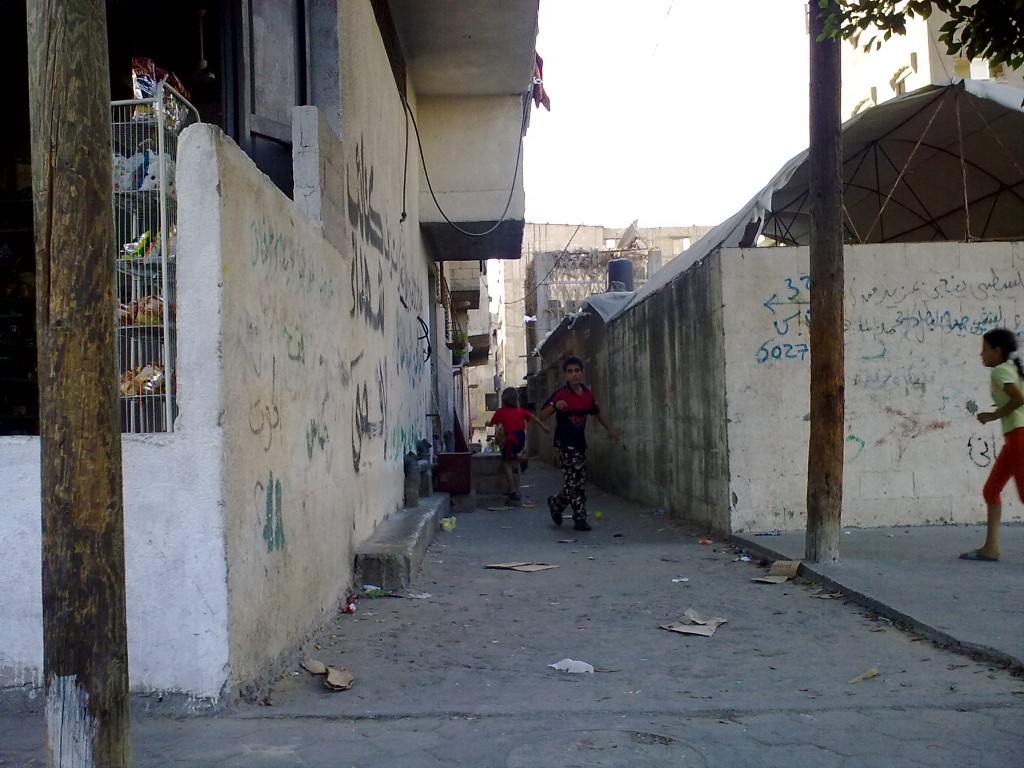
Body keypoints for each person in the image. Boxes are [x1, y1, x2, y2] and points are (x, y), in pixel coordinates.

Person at [962, 328, 1024, 562]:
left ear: (997, 351)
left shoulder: (1000, 371)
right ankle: (991, 548)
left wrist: (993, 416)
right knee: (991, 489)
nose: (981, 354)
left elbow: (1019, 398)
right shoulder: (1009, 369)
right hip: (1013, 436)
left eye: (985, 349)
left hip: (1020, 434)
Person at [538, 356, 619, 531]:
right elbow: (542, 416)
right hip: (565, 443)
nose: (574, 375)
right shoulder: (560, 394)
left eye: (577, 371)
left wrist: (610, 430)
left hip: (580, 443)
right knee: (575, 483)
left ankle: (556, 504)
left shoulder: (587, 394)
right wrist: (555, 407)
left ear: (581, 372)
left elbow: (597, 412)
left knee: (577, 483)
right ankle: (580, 519)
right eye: (570, 371)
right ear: (565, 375)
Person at [489, 387, 548, 506]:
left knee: (507, 462)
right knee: (509, 455)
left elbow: (492, 423)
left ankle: (512, 489)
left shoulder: (501, 412)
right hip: (521, 439)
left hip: (511, 439)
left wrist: (487, 424)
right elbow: (534, 418)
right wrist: (544, 428)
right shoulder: (520, 411)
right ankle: (520, 460)